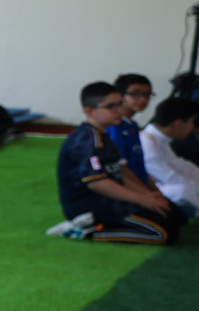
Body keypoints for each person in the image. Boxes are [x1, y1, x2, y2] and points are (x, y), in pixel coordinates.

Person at [56, 82, 179, 244]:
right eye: (110, 106)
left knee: (174, 216)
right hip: (90, 205)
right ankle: (85, 231)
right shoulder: (87, 139)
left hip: (111, 199)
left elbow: (120, 172)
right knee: (163, 233)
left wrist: (148, 196)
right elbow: (97, 184)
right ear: (90, 111)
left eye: (120, 104)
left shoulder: (104, 135)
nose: (118, 110)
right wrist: (141, 200)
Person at [140, 97, 199, 216]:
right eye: (192, 122)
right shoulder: (146, 141)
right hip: (151, 191)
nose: (193, 127)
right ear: (178, 124)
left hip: (168, 185)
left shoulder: (160, 139)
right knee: (183, 190)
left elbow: (181, 166)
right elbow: (168, 178)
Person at [108, 74, 157, 189]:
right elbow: (121, 169)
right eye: (135, 94)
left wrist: (155, 192)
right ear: (120, 95)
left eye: (147, 94)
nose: (143, 99)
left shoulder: (133, 125)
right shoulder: (114, 126)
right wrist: (145, 194)